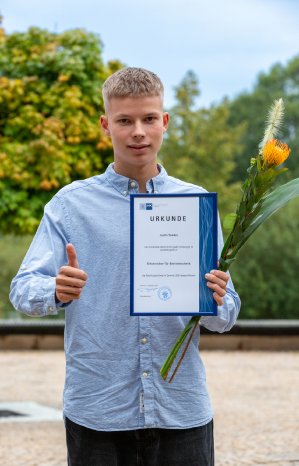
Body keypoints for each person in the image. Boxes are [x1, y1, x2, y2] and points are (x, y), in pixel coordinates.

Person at [10, 67, 241, 466]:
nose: (139, 132)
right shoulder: (70, 205)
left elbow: (226, 316)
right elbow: (21, 290)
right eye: (125, 121)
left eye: (149, 119)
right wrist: (55, 290)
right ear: (106, 125)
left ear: (164, 122)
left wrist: (217, 299)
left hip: (181, 411)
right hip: (97, 412)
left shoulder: (196, 205)